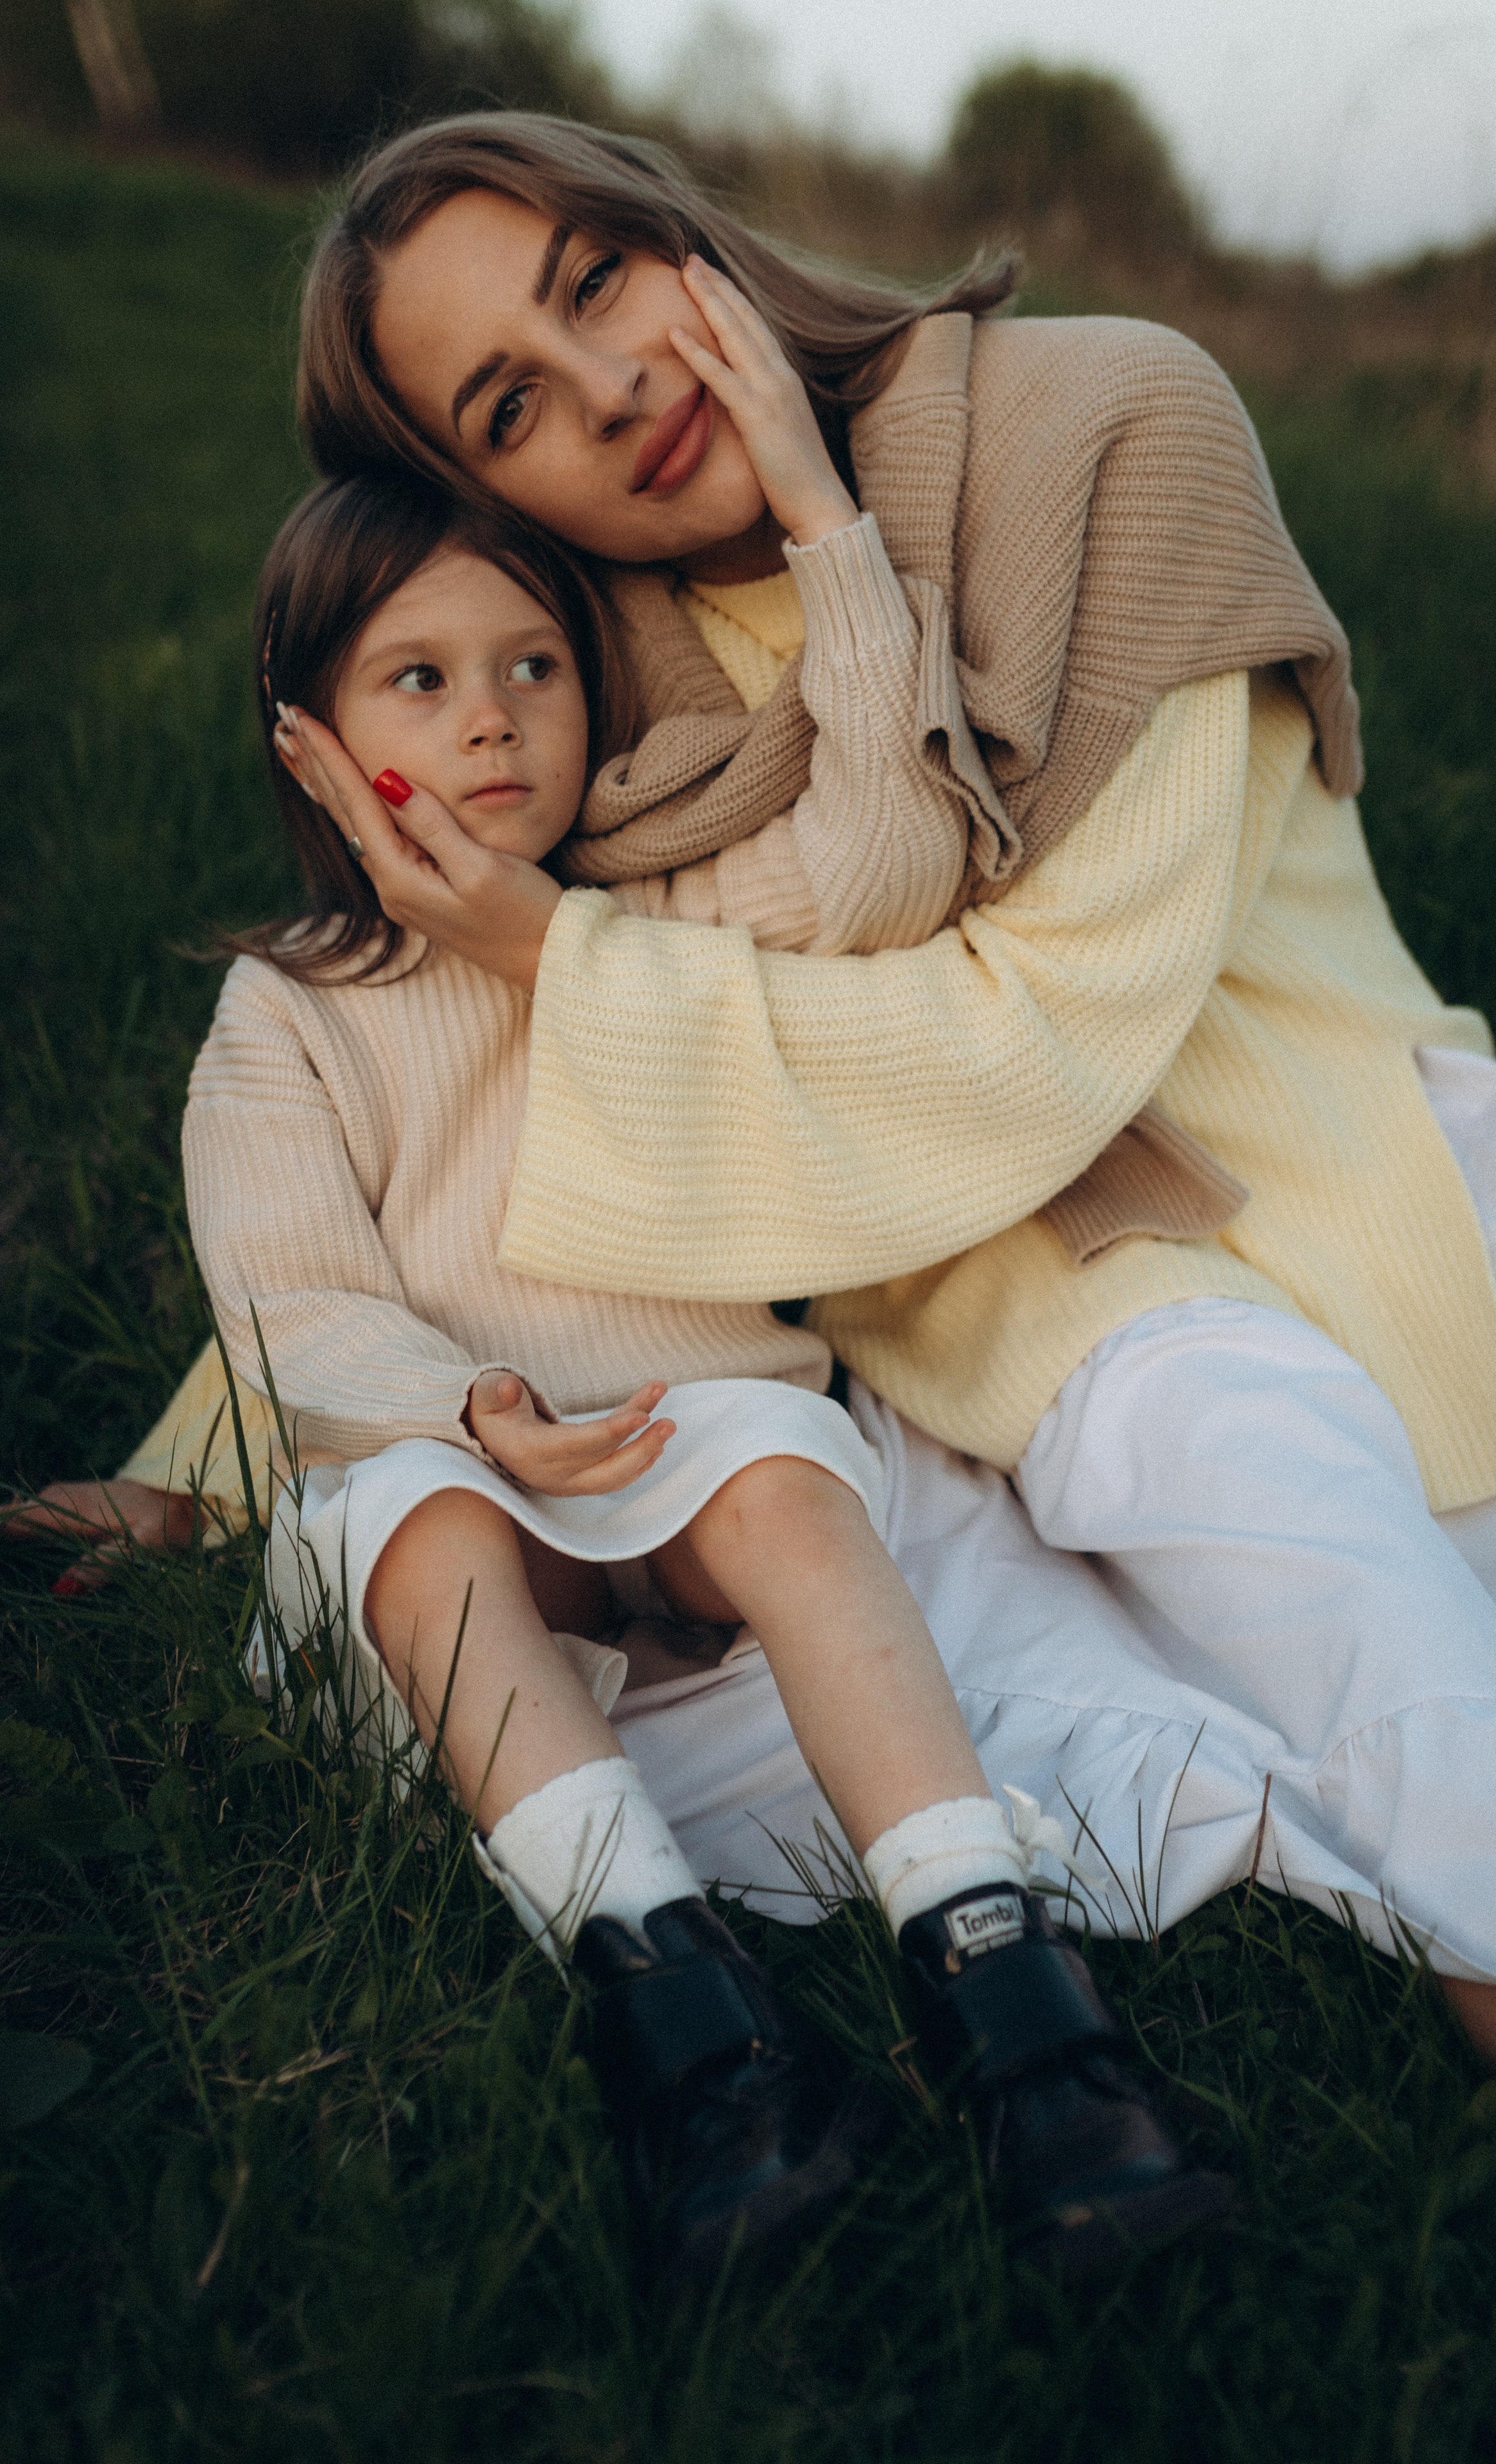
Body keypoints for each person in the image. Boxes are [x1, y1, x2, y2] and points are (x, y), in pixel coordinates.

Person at [12, 110, 1496, 2206]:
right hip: (1051, 1308)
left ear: (676, 227)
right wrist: (216, 1469)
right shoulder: (576, 687)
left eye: (596, 281)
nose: (612, 388)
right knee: (1401, 1676)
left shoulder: (1100, 432)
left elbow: (1039, 1045)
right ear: (474, 495)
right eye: (509, 407)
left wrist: (571, 940)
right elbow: (423, 1127)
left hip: (1371, 1161)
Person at [178, 460, 1239, 2273]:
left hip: (678, 1441)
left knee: (776, 1478)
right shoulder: (289, 1009)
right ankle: (684, 2023)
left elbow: (892, 848)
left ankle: (1009, 1996)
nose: (493, 718)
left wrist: (830, 533)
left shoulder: (651, 928)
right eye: (418, 679)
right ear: (311, 742)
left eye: (532, 666)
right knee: (411, 1528)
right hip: (464, 1475)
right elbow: (288, 1295)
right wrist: (475, 1412)